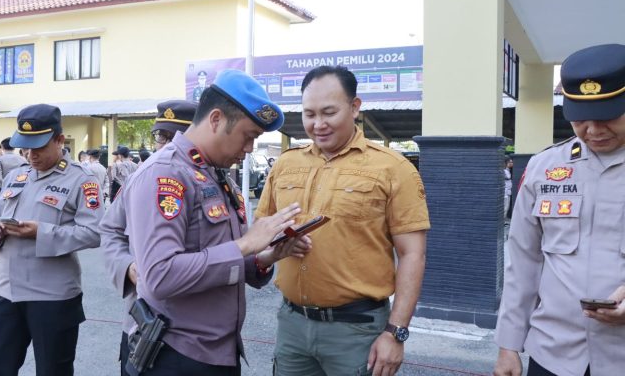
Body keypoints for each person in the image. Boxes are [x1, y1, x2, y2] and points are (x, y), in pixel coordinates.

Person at [121, 70, 309, 375]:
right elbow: (160, 276)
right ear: (216, 119)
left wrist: (264, 257)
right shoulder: (165, 174)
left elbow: (221, 260)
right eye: (248, 137)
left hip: (218, 351)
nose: (249, 149)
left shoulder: (215, 174)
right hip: (177, 354)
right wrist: (246, 243)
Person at [255, 65, 429, 376]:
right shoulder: (285, 165)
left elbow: (412, 254)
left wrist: (396, 332)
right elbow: (260, 230)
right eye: (309, 114)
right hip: (292, 325)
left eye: (329, 112)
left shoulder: (393, 168)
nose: (318, 124)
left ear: (355, 107)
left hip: (358, 332)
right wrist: (278, 244)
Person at [493, 44, 625, 376]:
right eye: (580, 118)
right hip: (553, 354)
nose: (593, 130)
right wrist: (508, 345)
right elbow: (523, 261)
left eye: (608, 116)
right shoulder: (544, 167)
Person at [0, 103, 104, 376]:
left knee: (53, 371)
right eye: (25, 147)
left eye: (38, 147)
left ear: (59, 140)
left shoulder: (82, 180)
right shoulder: (17, 175)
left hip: (53, 297)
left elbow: (95, 232)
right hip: (7, 292)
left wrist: (41, 232)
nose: (30, 155)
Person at [99, 99, 197, 375]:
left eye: (176, 137)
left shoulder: (215, 180)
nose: (166, 146)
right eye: (160, 137)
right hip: (143, 324)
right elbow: (110, 230)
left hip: (197, 332)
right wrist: (127, 266)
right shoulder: (140, 177)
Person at [503, 156, 513, 222]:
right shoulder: (504, 171)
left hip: (508, 192)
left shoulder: (508, 170)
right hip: (505, 192)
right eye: (510, 162)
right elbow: (507, 177)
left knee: (507, 207)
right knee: (505, 207)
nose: (512, 163)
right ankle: (502, 220)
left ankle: (504, 219)